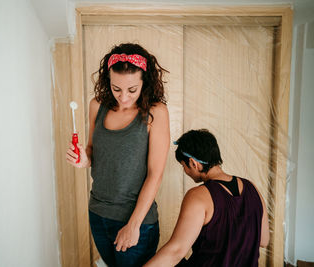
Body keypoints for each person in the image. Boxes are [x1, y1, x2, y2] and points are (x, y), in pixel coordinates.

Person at [66, 43, 170, 267]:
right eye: (116, 88)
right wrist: (85, 159)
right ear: (108, 82)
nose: (123, 97)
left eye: (132, 90)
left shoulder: (155, 113)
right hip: (98, 213)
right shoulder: (97, 106)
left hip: (136, 221)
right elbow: (93, 149)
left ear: (145, 82)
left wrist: (133, 225)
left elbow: (155, 174)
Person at [144, 129, 270, 267]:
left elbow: (176, 251)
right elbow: (264, 240)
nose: (185, 171)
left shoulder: (198, 196)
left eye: (183, 166)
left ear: (193, 163)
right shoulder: (252, 188)